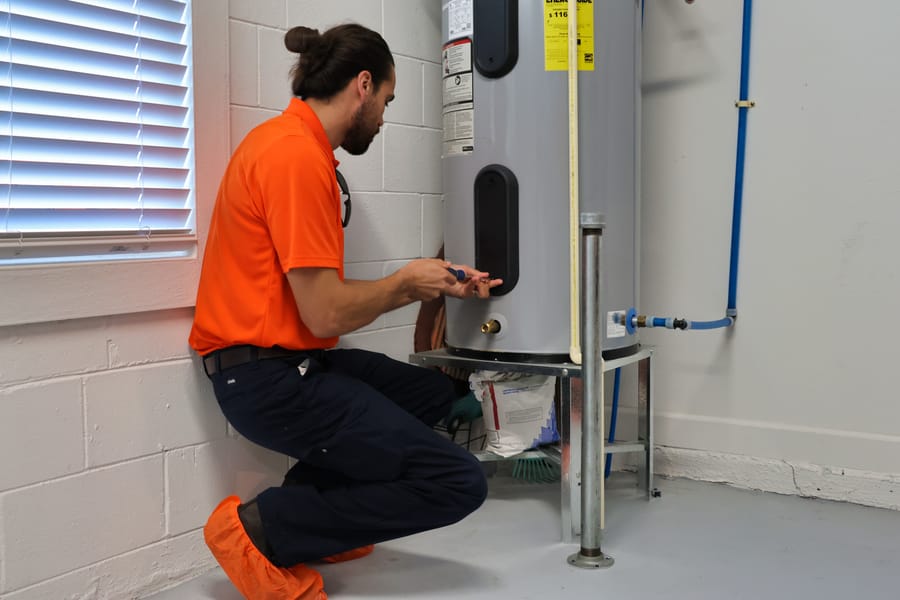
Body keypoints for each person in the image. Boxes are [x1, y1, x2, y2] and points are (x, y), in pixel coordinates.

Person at [189, 22, 502, 600]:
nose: (384, 116)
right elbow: (326, 315)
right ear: (363, 84)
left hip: (291, 362)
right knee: (458, 481)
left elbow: (315, 298)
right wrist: (407, 283)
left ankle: (314, 520)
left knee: (434, 396)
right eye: (386, 99)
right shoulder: (294, 158)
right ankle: (262, 530)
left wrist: (429, 281)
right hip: (265, 379)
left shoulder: (296, 148)